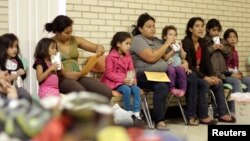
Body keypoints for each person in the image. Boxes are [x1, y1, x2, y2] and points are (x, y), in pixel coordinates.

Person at [182, 17, 235, 124]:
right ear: (190, 29)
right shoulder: (186, 41)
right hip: (189, 73)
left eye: (202, 26)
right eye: (197, 26)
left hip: (200, 73)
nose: (200, 28)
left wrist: (212, 75)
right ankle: (202, 115)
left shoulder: (202, 42)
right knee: (204, 83)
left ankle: (222, 113)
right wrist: (205, 77)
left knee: (218, 83)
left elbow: (207, 62)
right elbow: (190, 66)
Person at [44, 15, 112, 99]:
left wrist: (99, 48)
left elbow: (96, 47)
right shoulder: (50, 44)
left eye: (71, 32)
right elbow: (53, 64)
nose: (70, 35)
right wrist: (65, 73)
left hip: (78, 76)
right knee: (81, 93)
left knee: (106, 92)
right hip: (61, 78)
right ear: (57, 32)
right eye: (67, 33)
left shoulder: (74, 40)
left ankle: (102, 111)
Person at [130, 13, 175, 130]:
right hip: (141, 75)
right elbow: (151, 58)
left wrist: (174, 49)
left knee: (163, 87)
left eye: (154, 26)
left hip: (158, 76)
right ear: (140, 29)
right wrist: (166, 44)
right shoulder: (136, 40)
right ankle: (159, 120)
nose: (152, 29)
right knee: (163, 85)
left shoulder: (157, 41)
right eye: (149, 26)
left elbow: (163, 57)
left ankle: (159, 121)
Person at [204, 19, 241, 117]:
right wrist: (212, 48)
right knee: (217, 86)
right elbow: (203, 55)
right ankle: (220, 111)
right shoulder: (205, 41)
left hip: (222, 74)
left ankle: (235, 110)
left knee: (234, 82)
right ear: (208, 30)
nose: (216, 32)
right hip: (211, 73)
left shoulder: (222, 41)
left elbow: (229, 52)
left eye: (218, 30)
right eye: (213, 30)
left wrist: (222, 48)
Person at [101, 32, 141, 120]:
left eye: (130, 44)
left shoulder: (128, 56)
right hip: (114, 82)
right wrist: (123, 79)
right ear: (118, 44)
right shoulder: (110, 57)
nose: (129, 46)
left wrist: (134, 80)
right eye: (127, 43)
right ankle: (127, 112)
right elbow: (108, 73)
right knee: (126, 90)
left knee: (136, 89)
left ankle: (136, 112)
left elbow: (131, 70)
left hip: (126, 81)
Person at [0, 34, 31, 102]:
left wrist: (22, 73)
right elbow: (5, 77)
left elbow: (23, 74)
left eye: (16, 46)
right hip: (3, 88)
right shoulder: (1, 61)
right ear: (3, 47)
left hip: (16, 86)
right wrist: (17, 74)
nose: (15, 49)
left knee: (26, 96)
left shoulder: (17, 60)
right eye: (11, 47)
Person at [161, 25, 187, 97]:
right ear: (165, 37)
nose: (173, 37)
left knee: (182, 71)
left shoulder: (177, 45)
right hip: (169, 65)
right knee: (171, 70)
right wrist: (173, 50)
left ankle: (183, 89)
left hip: (178, 65)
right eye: (170, 35)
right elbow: (165, 58)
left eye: (175, 35)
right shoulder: (164, 46)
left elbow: (183, 57)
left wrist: (181, 48)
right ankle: (172, 88)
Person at [223, 28, 250, 93]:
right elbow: (222, 69)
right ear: (225, 39)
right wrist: (232, 75)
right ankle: (238, 102)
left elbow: (235, 68)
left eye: (234, 37)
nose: (232, 39)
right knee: (236, 81)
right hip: (225, 76)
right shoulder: (223, 51)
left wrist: (239, 74)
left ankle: (247, 100)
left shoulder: (235, 52)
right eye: (230, 37)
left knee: (248, 80)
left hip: (235, 75)